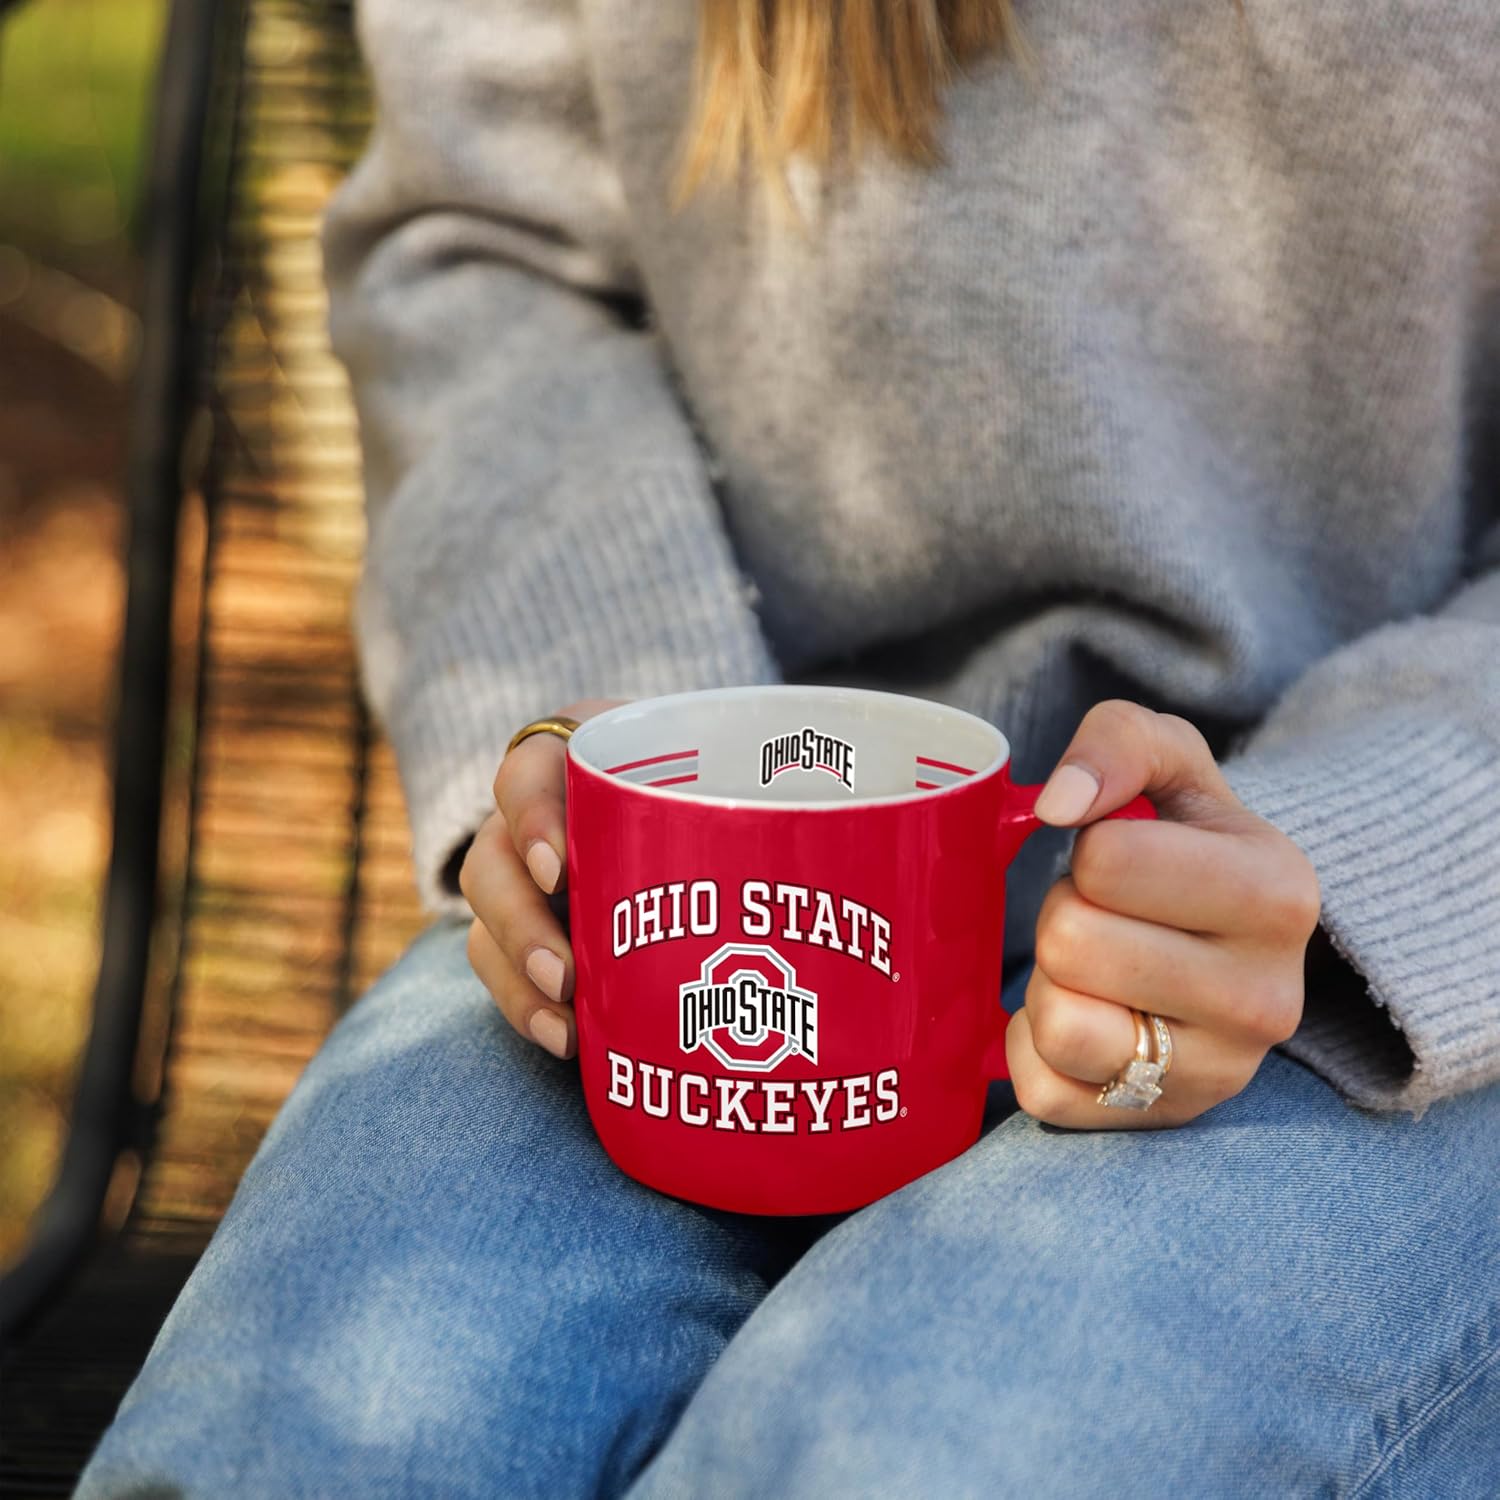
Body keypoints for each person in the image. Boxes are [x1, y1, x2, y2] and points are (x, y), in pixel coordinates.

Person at [80, 1, 1500, 1495]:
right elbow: (480, 246)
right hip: (675, 866)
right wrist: (634, 750)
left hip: (1354, 967)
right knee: (304, 1437)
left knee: (889, 1459)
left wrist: (1365, 866)